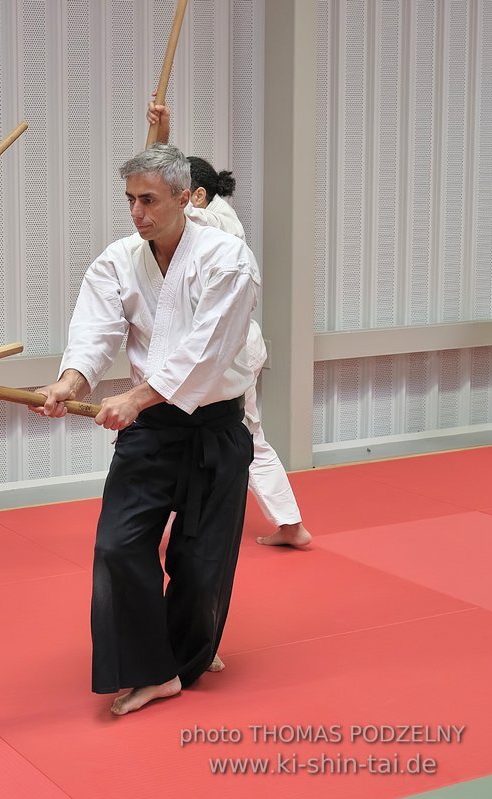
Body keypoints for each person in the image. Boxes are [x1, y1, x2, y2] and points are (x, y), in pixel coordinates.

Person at [36, 143, 259, 715]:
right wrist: (71, 382)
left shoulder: (227, 259)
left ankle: (188, 654)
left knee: (200, 560)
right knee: (118, 544)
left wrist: (136, 396)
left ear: (187, 199)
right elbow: (95, 329)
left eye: (150, 200)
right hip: (150, 430)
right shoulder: (118, 260)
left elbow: (207, 349)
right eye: (131, 200)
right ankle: (151, 670)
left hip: (213, 425)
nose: (137, 213)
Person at [148, 103, 313, 548]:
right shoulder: (213, 216)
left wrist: (162, 141)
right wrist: (163, 136)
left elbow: (168, 202)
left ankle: (287, 523)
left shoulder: (213, 222)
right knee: (231, 432)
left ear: (194, 196)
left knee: (239, 434)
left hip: (227, 351)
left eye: (179, 194)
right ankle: (288, 522)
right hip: (227, 348)